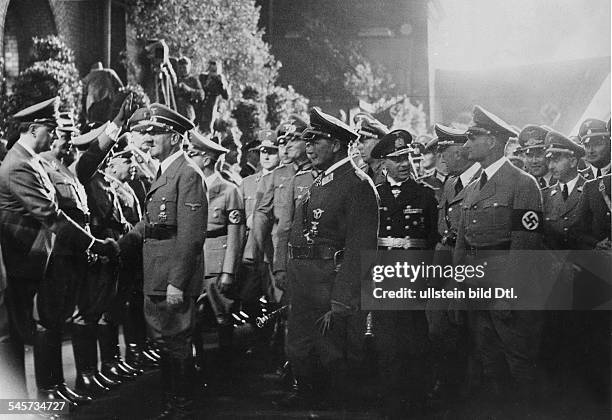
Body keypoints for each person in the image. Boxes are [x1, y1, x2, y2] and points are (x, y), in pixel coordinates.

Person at [0, 98, 120, 398]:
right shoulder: (18, 166)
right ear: (32, 129)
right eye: (50, 130)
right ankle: (31, 401)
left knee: (46, 325)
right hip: (21, 263)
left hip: (37, 260)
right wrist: (94, 243)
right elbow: (51, 215)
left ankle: (50, 390)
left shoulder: (33, 161)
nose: (54, 137)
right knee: (17, 337)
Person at [277, 108, 378, 408]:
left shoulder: (357, 184)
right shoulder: (319, 182)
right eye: (306, 140)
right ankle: (310, 398)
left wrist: (343, 297)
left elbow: (361, 248)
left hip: (330, 284)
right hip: (306, 282)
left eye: (316, 140)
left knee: (333, 354)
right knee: (301, 348)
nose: (308, 146)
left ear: (336, 144)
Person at [119, 104, 207, 419]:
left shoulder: (187, 173)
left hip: (171, 275)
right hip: (155, 271)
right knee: (165, 341)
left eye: (154, 132)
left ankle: (181, 406)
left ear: (173, 136)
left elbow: (191, 236)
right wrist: (118, 245)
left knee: (177, 341)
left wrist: (176, 282)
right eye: (145, 132)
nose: (147, 138)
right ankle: (173, 401)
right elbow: (152, 223)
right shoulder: (165, 170)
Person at [453, 106, 544, 406]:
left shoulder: (523, 184)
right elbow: (462, 243)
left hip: (505, 288)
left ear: (492, 141)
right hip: (477, 286)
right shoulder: (472, 186)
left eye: (471, 138)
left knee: (519, 361)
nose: (465, 145)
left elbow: (525, 247)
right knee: (489, 360)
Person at [369, 129, 439, 418]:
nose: (403, 163)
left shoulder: (425, 195)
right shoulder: (373, 195)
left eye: (407, 156)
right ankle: (390, 402)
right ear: (383, 163)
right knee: (386, 342)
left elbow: (433, 240)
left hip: (415, 276)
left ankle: (416, 401)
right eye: (396, 158)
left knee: (415, 340)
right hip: (383, 276)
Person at [428, 123, 480, 407]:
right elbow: (443, 228)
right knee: (438, 325)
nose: (442, 158)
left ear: (463, 150)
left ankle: (465, 390)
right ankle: (448, 384)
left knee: (468, 329)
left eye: (446, 151)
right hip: (446, 261)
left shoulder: (480, 182)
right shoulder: (450, 182)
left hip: (471, 264)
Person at [186, 130, 245, 376]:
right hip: (193, 261)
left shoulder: (228, 190)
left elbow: (236, 233)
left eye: (193, 155)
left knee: (223, 316)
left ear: (207, 159)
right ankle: (196, 365)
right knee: (192, 319)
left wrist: (229, 270)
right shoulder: (189, 186)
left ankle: (225, 367)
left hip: (216, 261)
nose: (189, 159)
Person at [352, 112, 388, 183]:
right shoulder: (362, 171)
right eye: (358, 142)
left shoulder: (392, 172)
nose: (359, 147)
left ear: (379, 142)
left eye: (364, 141)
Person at [198, 60, 229, 133]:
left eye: (215, 70)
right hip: (199, 106)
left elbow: (226, 96)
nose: (213, 73)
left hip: (211, 108)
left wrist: (222, 83)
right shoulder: (203, 77)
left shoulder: (219, 81)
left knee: (208, 128)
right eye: (211, 70)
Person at [175, 57, 204, 122]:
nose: (182, 70)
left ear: (189, 67)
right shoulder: (174, 78)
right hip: (175, 111)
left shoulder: (193, 80)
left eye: (184, 68)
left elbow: (201, 95)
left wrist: (189, 89)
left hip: (187, 113)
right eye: (180, 68)